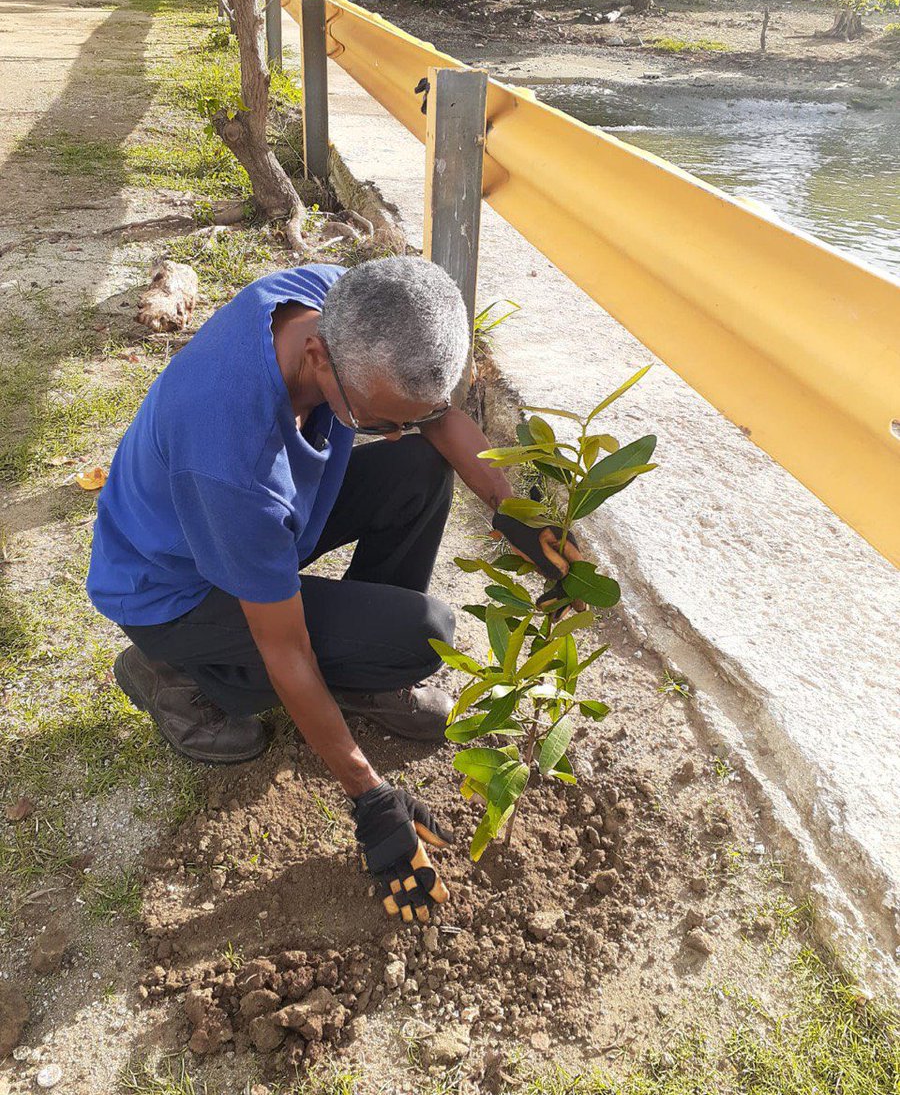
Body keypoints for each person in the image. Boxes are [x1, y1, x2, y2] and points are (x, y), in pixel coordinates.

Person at [86, 257, 578, 921]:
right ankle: (173, 671)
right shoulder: (233, 459)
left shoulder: (345, 301)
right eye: (378, 419)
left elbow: (433, 420)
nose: (397, 430)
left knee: (421, 466)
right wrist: (370, 796)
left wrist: (511, 509)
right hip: (171, 588)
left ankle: (363, 674)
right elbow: (286, 651)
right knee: (424, 633)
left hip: (251, 529)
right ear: (320, 357)